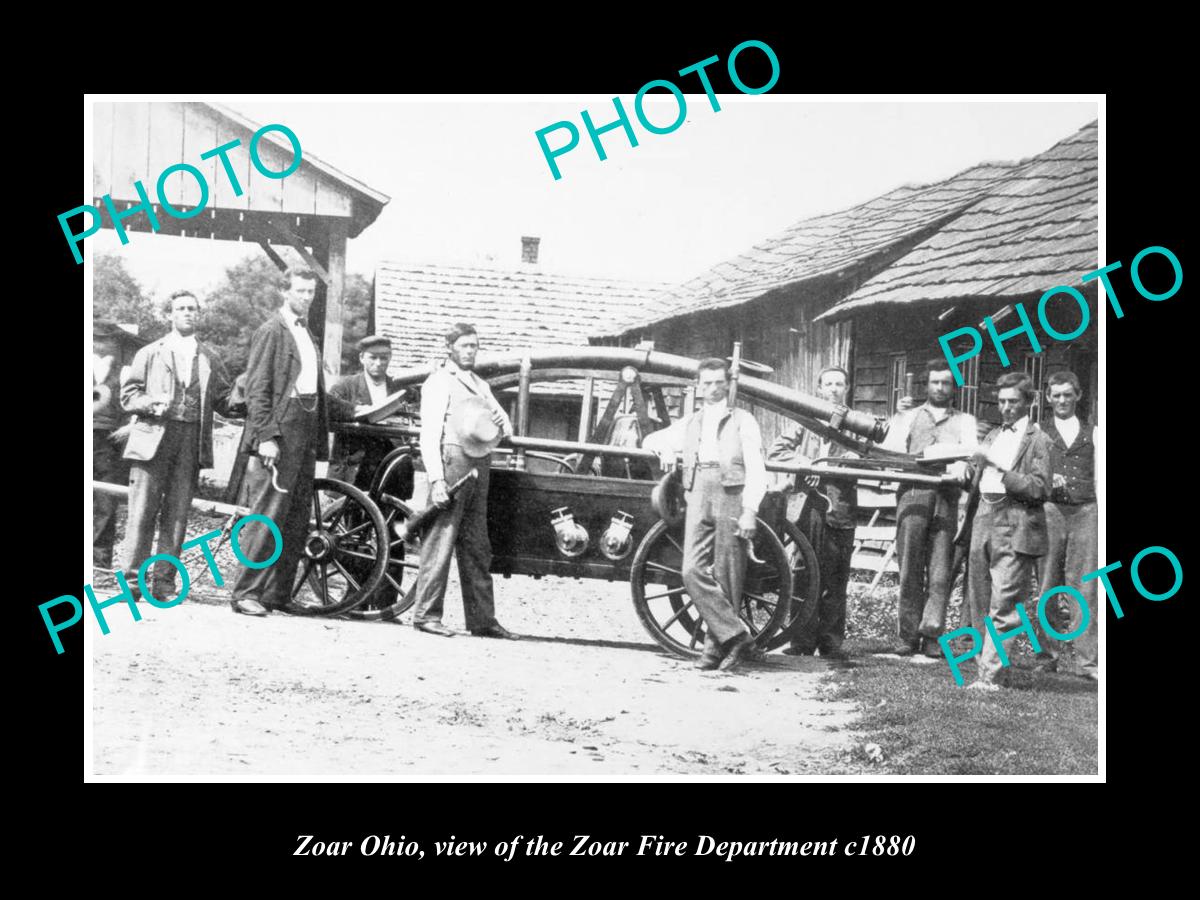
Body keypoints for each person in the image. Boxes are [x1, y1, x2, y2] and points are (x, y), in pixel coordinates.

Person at [230, 267, 347, 616]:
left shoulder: (307, 334)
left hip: (307, 430)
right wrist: (266, 437)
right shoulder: (271, 331)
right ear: (285, 292)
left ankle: (277, 594)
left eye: (311, 292)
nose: (307, 298)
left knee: (296, 518)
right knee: (268, 512)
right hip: (281, 434)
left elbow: (316, 390)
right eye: (300, 291)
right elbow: (257, 390)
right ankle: (245, 592)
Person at [644, 358, 768, 672]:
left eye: (718, 382)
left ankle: (714, 650)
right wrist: (667, 451)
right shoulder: (692, 421)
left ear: (728, 384)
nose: (712, 388)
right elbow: (651, 439)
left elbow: (756, 469)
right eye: (706, 383)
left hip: (731, 492)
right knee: (690, 570)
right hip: (697, 490)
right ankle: (738, 637)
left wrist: (750, 511)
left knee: (727, 573)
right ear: (699, 386)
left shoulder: (744, 420)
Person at [119, 291, 241, 601]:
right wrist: (152, 404)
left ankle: (162, 584)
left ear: (198, 315)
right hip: (153, 438)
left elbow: (225, 400)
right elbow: (129, 396)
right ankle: (131, 583)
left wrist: (254, 389)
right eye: (181, 308)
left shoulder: (209, 357)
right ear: (170, 315)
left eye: (192, 309)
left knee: (177, 515)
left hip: (190, 441)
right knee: (142, 511)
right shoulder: (150, 352)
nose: (187, 313)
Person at [409, 323, 517, 639]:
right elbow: (429, 435)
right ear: (450, 348)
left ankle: (483, 619)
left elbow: (506, 426)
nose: (471, 351)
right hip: (452, 460)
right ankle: (426, 615)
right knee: (441, 539)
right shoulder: (439, 382)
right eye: (465, 346)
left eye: (475, 346)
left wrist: (501, 421)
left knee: (477, 545)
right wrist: (437, 480)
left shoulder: (480, 385)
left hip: (480, 463)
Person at [882, 359, 977, 657]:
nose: (940, 388)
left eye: (946, 383)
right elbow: (892, 452)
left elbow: (970, 455)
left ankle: (932, 634)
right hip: (913, 494)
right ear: (927, 385)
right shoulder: (909, 416)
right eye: (935, 382)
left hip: (947, 498)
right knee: (909, 567)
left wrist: (961, 467)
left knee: (940, 571)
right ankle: (908, 636)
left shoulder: (965, 421)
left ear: (954, 388)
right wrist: (897, 418)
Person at [963, 372, 1052, 690]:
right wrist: (970, 468)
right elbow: (978, 476)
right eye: (1001, 401)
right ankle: (985, 669)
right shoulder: (992, 436)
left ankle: (992, 675)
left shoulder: (1038, 440)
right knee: (979, 597)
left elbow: (1041, 488)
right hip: (984, 517)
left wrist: (1002, 471)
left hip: (1016, 521)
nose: (1006, 407)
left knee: (1005, 600)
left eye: (1013, 401)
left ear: (1029, 402)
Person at [767, 365, 860, 661]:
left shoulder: (856, 424)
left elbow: (863, 459)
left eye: (839, 384)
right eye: (828, 384)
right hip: (806, 508)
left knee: (835, 577)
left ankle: (831, 642)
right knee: (804, 573)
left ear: (846, 389)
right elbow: (776, 452)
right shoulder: (804, 422)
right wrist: (808, 462)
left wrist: (844, 462)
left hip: (839, 506)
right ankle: (801, 639)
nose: (833, 389)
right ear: (819, 389)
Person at [1030, 371, 1098, 681]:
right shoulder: (1038, 433)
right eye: (1056, 395)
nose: (1061, 400)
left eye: (1067, 394)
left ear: (1078, 396)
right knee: (1047, 583)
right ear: (1048, 398)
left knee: (1084, 586)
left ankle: (1088, 661)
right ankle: (1047, 655)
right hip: (1050, 511)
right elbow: (1030, 473)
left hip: (1085, 511)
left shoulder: (1094, 433)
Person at [92, 320, 143, 577]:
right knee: (104, 502)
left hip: (110, 437)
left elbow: (135, 396)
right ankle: (98, 563)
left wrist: (130, 424)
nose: (99, 343)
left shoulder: (128, 361)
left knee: (105, 501)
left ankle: (98, 564)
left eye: (104, 339)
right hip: (103, 432)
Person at [327, 335, 407, 490]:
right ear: (362, 358)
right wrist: (354, 410)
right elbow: (329, 408)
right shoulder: (345, 386)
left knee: (389, 512)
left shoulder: (399, 389)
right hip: (354, 467)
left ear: (390, 358)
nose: (378, 363)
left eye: (383, 358)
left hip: (389, 468)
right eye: (373, 357)